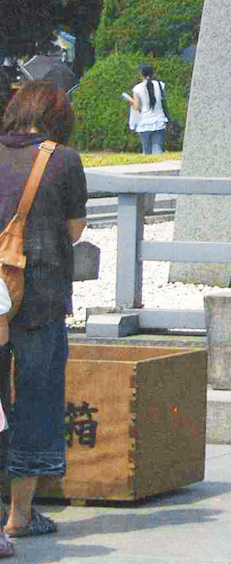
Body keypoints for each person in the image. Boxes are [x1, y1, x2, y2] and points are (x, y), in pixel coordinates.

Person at [0, 82, 89, 548]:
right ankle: (20, 514)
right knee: (35, 400)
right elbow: (73, 231)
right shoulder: (64, 160)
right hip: (40, 298)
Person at [122, 63, 171, 156]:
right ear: (153, 73)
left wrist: (130, 101)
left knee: (146, 151)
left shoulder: (137, 88)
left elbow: (137, 107)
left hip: (144, 122)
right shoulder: (161, 85)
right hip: (159, 120)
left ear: (141, 74)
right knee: (158, 150)